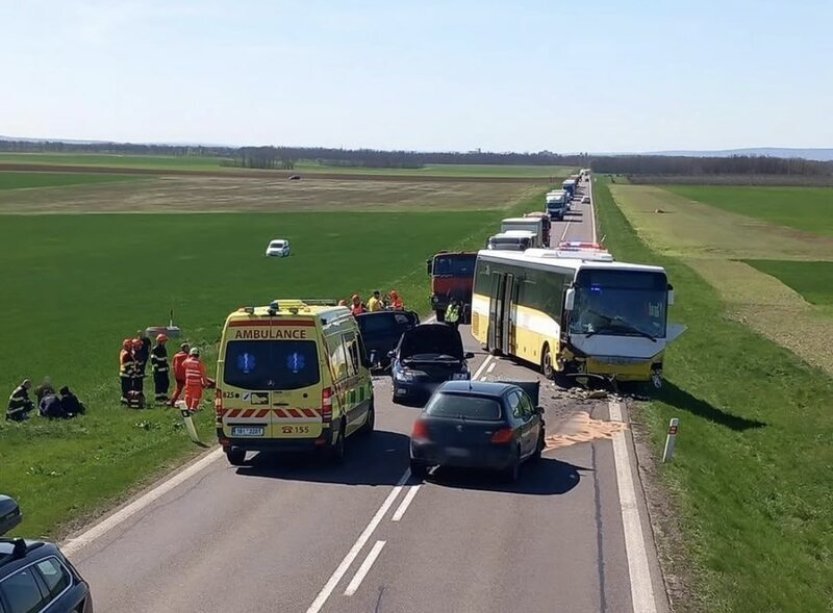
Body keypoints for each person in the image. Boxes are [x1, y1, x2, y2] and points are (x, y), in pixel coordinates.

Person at [183, 347, 208, 413]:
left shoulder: (187, 361)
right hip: (197, 382)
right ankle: (193, 408)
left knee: (188, 394)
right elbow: (203, 374)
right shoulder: (199, 363)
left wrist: (188, 357)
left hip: (188, 381)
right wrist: (205, 383)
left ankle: (187, 407)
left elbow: (183, 365)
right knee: (196, 395)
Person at [150, 334, 170, 405]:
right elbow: (153, 360)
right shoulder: (155, 349)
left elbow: (164, 359)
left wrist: (167, 366)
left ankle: (164, 396)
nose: (165, 343)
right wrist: (156, 368)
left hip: (164, 370)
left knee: (166, 383)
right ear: (160, 341)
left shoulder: (163, 349)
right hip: (158, 371)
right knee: (159, 384)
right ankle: (158, 398)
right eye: (164, 341)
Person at [169, 342, 190, 407]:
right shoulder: (187, 356)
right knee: (189, 389)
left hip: (177, 376)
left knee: (178, 389)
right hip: (185, 375)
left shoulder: (176, 356)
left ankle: (172, 402)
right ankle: (188, 403)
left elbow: (173, 365)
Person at [119, 338, 135, 404]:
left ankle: (125, 401)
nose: (132, 347)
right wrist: (132, 374)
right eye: (131, 346)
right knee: (127, 388)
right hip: (126, 374)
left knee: (126, 388)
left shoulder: (124, 352)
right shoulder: (126, 355)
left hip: (124, 374)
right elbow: (127, 366)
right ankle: (126, 402)